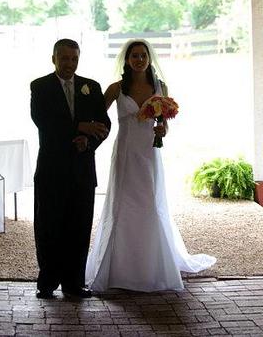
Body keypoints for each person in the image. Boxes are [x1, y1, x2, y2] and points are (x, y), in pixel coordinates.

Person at [85, 39, 216, 292]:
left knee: (149, 203)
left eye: (143, 55)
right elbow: (97, 117)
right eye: (134, 56)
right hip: (125, 153)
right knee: (122, 204)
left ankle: (151, 266)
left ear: (149, 58)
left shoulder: (160, 87)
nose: (139, 59)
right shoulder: (116, 89)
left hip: (149, 153)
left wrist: (162, 128)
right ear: (127, 60)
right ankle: (117, 268)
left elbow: (164, 125)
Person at [31, 38, 111, 299]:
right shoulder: (40, 86)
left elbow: (103, 124)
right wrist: (80, 126)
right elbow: (44, 121)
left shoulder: (92, 87)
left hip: (82, 169)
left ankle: (74, 283)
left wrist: (88, 140)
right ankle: (47, 282)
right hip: (51, 170)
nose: (69, 64)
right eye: (64, 58)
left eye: (74, 58)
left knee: (78, 228)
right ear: (53, 58)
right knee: (49, 226)